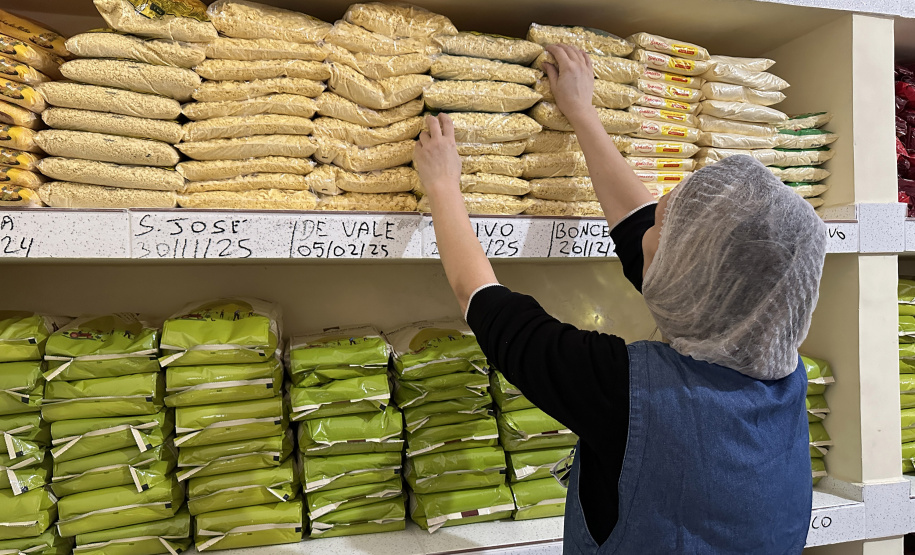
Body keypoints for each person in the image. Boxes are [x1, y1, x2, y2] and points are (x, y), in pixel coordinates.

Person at [413, 43, 825, 554]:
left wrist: (443, 187)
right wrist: (582, 113)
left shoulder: (625, 393)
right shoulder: (782, 374)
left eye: (663, 231)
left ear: (685, 280)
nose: (651, 224)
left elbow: (488, 307)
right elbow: (643, 234)